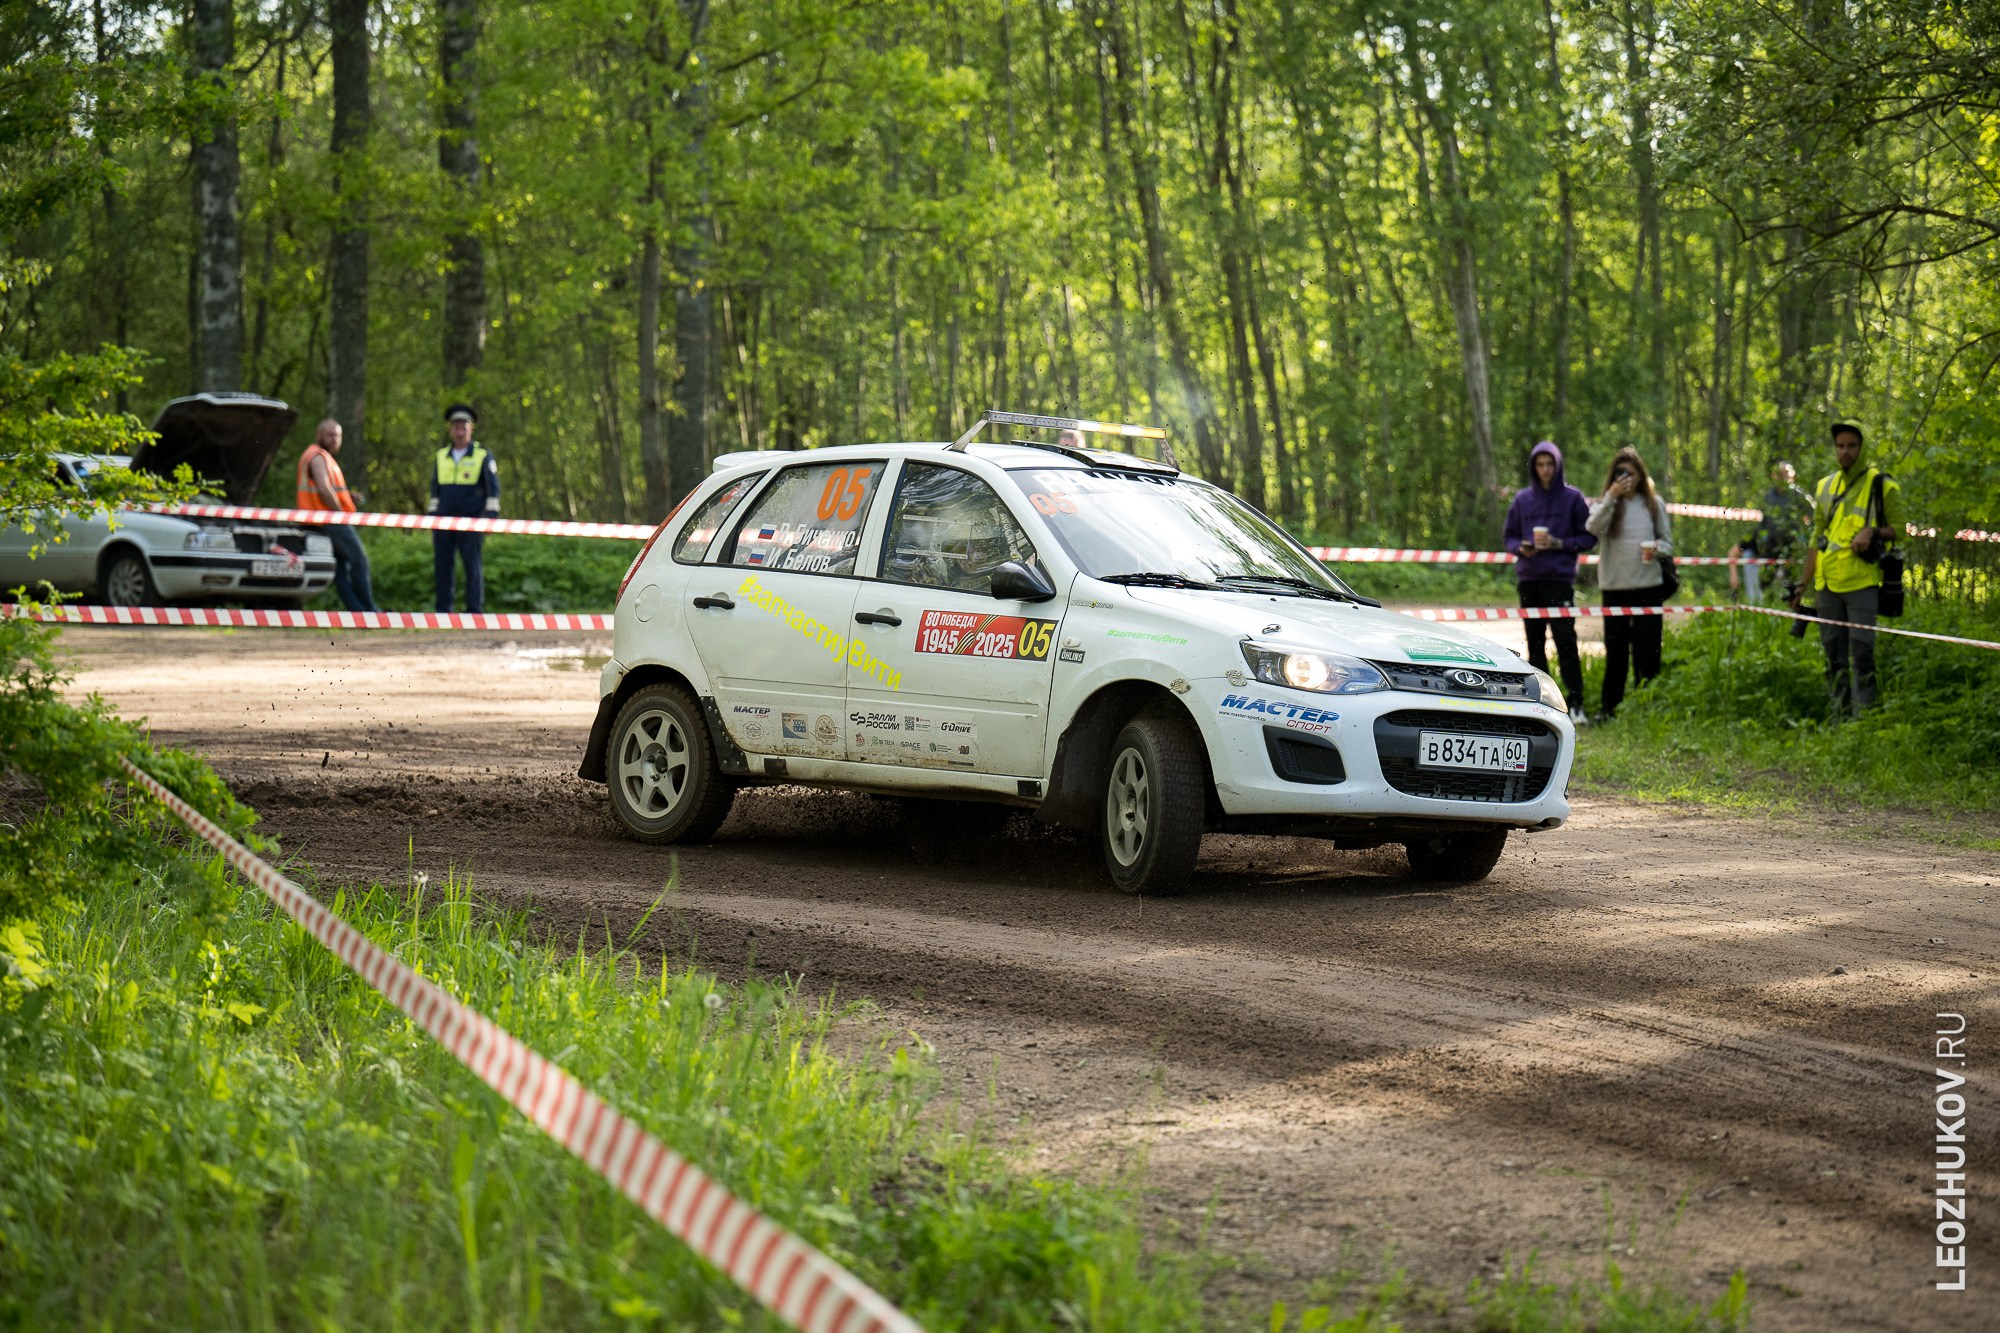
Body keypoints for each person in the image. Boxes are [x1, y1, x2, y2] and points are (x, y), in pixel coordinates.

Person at [1801, 422, 1899, 717]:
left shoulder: (1882, 485)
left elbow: (1900, 529)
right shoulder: (1824, 486)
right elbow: (1816, 538)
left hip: (1861, 584)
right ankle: (1839, 716)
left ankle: (1864, 719)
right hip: (1827, 584)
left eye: (1852, 446)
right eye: (1840, 446)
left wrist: (1873, 531)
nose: (1845, 451)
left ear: (1862, 447)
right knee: (1833, 654)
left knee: (1862, 652)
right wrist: (1802, 585)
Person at [1501, 441, 1596, 717]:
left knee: (1566, 640)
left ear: (1558, 465)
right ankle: (1540, 704)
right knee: (1535, 643)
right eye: (1540, 464)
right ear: (1533, 467)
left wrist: (1559, 543)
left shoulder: (1573, 499)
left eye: (1549, 464)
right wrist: (1521, 548)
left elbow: (1589, 538)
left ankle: (1576, 703)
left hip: (1560, 580)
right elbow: (1509, 537)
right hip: (1529, 578)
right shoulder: (1522, 500)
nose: (1545, 469)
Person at [1585, 448, 1674, 719]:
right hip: (1615, 588)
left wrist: (1656, 549)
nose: (1626, 478)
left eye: (1631, 473)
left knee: (1648, 652)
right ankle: (1609, 708)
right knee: (1616, 653)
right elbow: (1591, 527)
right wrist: (1611, 497)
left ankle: (1647, 709)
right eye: (1620, 473)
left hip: (1648, 587)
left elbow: (1668, 544)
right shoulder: (1606, 504)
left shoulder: (1654, 504)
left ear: (1641, 475)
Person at [296, 418, 378, 612]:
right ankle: (370, 611)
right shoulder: (317, 456)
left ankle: (359, 612)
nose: (334, 439)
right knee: (359, 560)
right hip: (329, 520)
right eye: (330, 435)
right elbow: (324, 489)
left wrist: (347, 497)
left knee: (339, 570)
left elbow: (324, 489)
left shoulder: (321, 457)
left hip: (317, 520)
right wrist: (340, 514)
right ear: (319, 435)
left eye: (338, 436)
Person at [429, 403, 500, 613]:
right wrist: (432, 517)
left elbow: (493, 490)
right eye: (456, 427)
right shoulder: (441, 456)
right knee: (443, 566)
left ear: (471, 429)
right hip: (443, 520)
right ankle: (443, 611)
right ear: (450, 430)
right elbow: (434, 489)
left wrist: (490, 517)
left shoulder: (482, 455)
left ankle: (474, 611)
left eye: (463, 427)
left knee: (472, 565)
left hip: (472, 520)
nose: (459, 432)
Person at [1727, 461, 1812, 603]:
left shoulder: (1798, 496)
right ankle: (1756, 602)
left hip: (1792, 548)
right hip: (1770, 547)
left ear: (1792, 476)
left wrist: (1802, 540)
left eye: (1786, 474)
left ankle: (1788, 602)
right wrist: (1734, 577)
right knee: (1762, 579)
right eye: (1780, 474)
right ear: (1774, 476)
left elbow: (1812, 517)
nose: (1783, 478)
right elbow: (1732, 552)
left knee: (1791, 584)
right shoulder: (1768, 498)